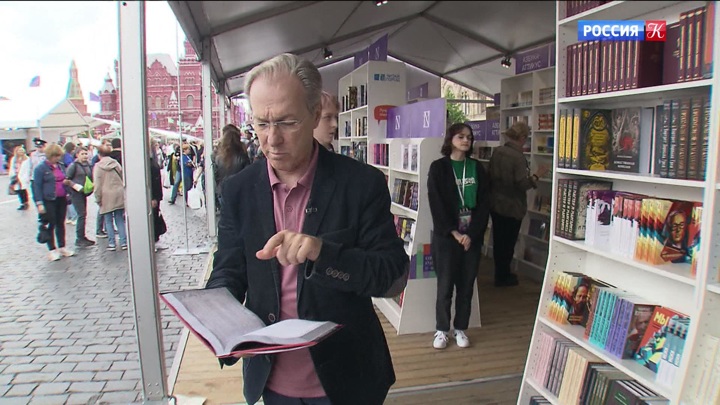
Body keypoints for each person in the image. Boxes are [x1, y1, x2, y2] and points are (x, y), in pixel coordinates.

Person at [207, 53, 408, 405]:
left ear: (315, 113)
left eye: (286, 122)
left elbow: (391, 277)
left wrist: (322, 253)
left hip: (347, 379)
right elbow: (229, 270)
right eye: (261, 123)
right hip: (270, 379)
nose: (271, 139)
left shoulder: (360, 184)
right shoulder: (238, 190)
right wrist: (212, 313)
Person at [427, 123, 490, 350]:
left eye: (469, 137)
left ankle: (460, 328)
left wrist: (471, 234)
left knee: (466, 286)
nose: (466, 141)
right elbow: (436, 202)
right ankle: (441, 330)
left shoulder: (477, 168)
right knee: (445, 287)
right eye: (461, 136)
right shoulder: (438, 168)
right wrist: (453, 232)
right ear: (450, 139)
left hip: (471, 238)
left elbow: (484, 204)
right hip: (446, 238)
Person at [488, 121, 548, 287]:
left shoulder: (498, 151)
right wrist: (537, 175)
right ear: (522, 137)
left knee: (499, 240)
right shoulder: (517, 157)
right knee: (508, 242)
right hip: (512, 205)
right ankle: (504, 276)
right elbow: (522, 184)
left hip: (496, 202)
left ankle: (500, 274)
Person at [32, 143, 75, 261]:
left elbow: (64, 178)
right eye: (55, 156)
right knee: (51, 224)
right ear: (50, 155)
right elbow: (37, 186)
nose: (57, 158)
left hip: (61, 198)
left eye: (58, 156)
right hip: (48, 199)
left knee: (60, 223)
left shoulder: (61, 166)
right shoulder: (40, 169)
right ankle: (52, 249)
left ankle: (62, 247)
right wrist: (39, 203)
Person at [93, 145, 127, 251]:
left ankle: (112, 243)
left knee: (108, 220)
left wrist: (97, 198)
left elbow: (97, 185)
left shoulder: (98, 166)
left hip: (106, 195)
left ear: (99, 154)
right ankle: (123, 242)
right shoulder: (116, 163)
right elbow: (123, 177)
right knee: (119, 219)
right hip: (118, 193)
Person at [213, 124, 251, 211]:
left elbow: (215, 175)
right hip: (240, 192)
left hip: (223, 190)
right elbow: (248, 174)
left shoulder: (217, 156)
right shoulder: (242, 155)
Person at [64, 146, 95, 247]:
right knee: (81, 214)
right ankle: (79, 238)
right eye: (82, 154)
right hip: (76, 193)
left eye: (86, 154)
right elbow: (66, 180)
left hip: (84, 192)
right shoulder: (73, 166)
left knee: (83, 214)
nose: (85, 156)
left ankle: (82, 236)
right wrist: (74, 185)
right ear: (77, 155)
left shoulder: (88, 165)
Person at [149, 140, 168, 251]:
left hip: (156, 194)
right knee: (153, 217)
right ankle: (153, 240)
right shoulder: (149, 162)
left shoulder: (153, 160)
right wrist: (153, 197)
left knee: (155, 216)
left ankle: (155, 239)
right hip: (153, 195)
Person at [8, 146, 31, 210]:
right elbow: (11, 167)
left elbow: (28, 169)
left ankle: (26, 203)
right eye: (19, 150)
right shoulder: (14, 159)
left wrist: (26, 178)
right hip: (15, 176)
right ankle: (22, 203)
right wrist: (12, 175)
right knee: (18, 190)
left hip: (22, 177)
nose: (21, 152)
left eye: (22, 150)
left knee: (23, 190)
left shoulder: (27, 159)